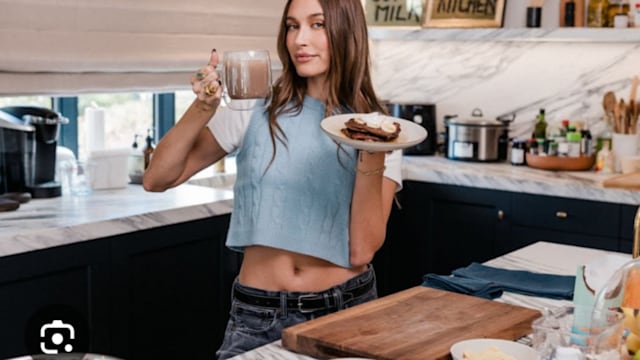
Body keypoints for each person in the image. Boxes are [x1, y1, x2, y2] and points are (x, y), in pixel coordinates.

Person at [142, 0, 402, 358]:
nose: (300, 40)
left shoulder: (380, 130)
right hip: (257, 317)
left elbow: (361, 249)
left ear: (348, 32)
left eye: (318, 24)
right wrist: (203, 105)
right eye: (292, 26)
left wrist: (370, 147)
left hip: (348, 310)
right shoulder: (255, 105)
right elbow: (157, 177)